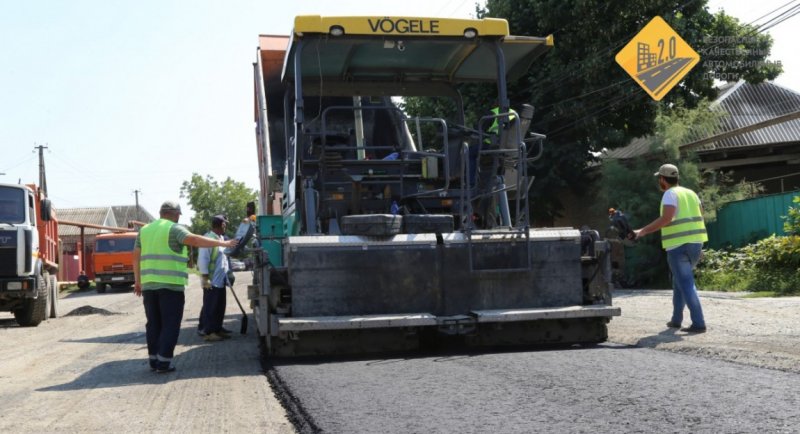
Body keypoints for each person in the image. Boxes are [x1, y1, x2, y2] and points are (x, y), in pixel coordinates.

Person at [133, 201, 238, 373]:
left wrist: (138, 281)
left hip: (149, 286)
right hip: (170, 286)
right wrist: (224, 244)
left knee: (153, 324)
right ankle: (164, 362)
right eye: (178, 215)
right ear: (174, 214)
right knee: (170, 324)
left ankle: (154, 360)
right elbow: (195, 240)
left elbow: (135, 257)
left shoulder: (144, 230)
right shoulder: (174, 228)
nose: (178, 217)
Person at [633, 164, 708, 333]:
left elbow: (667, 218)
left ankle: (698, 322)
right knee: (679, 281)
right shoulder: (691, 193)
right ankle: (676, 320)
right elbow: (701, 215)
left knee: (686, 283)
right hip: (696, 243)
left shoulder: (669, 194)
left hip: (677, 245)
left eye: (659, 178)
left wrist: (642, 231)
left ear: (662, 179)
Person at [197, 214, 232, 342]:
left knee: (219, 306)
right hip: (211, 281)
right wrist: (205, 279)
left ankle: (217, 328)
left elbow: (223, 258)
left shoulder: (221, 238)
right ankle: (209, 332)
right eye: (225, 224)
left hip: (220, 280)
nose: (226, 226)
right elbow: (203, 260)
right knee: (210, 307)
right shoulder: (208, 239)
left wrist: (228, 274)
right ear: (221, 225)